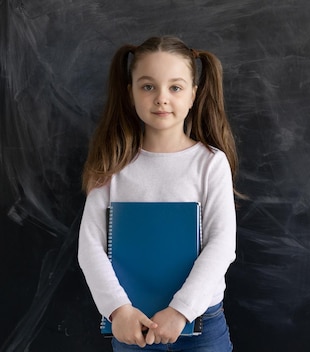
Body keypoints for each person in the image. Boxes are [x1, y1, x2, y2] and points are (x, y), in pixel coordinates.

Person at [78, 36, 238, 351]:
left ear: (193, 94)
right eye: (148, 86)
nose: (161, 98)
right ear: (130, 93)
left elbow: (221, 245)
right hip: (131, 324)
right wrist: (118, 310)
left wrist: (181, 310)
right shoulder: (113, 163)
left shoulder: (210, 163)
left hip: (201, 325)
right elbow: (90, 246)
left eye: (175, 87)